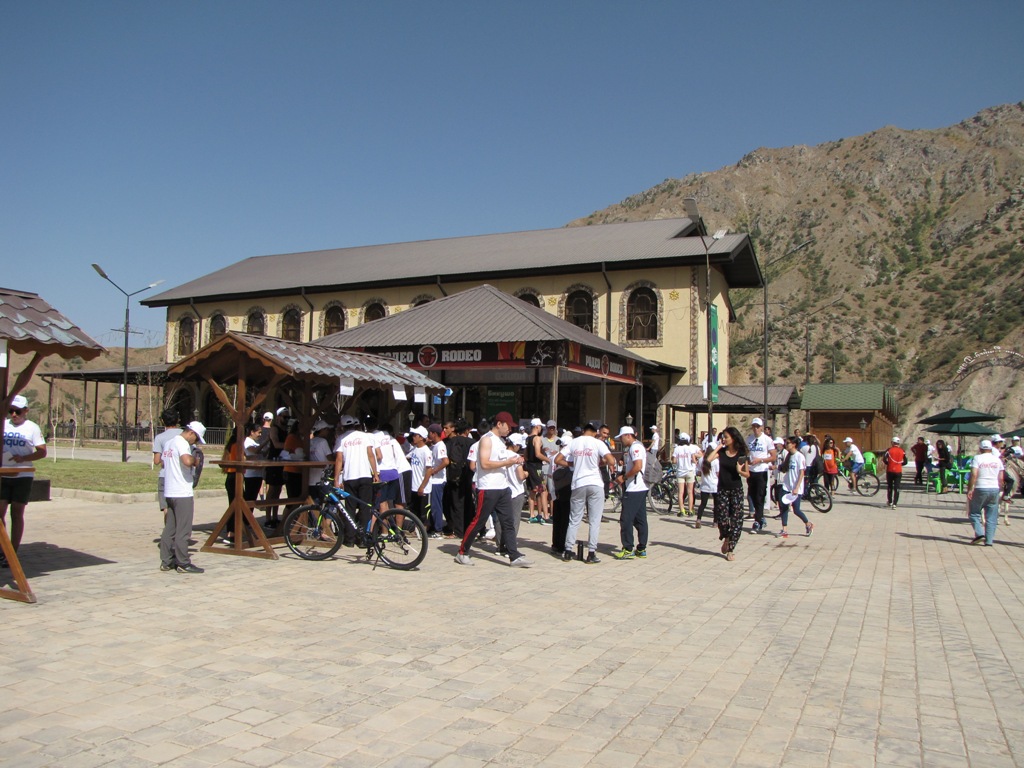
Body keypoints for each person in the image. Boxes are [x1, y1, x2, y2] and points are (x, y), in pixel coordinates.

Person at [456, 412, 531, 567]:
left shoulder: (501, 442)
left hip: (503, 488)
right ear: (499, 424)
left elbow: (500, 462)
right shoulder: (486, 440)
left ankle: (514, 555)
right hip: (488, 488)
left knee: (508, 522)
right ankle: (462, 552)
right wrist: (508, 462)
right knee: (479, 521)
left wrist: (514, 460)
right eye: (508, 426)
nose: (510, 429)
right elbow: (484, 464)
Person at [556, 421, 615, 563]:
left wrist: (571, 463)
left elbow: (557, 459)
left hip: (578, 483)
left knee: (574, 519)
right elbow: (611, 460)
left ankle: (568, 551)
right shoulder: (598, 443)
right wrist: (601, 462)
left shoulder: (574, 442)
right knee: (594, 520)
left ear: (584, 430)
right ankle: (591, 553)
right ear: (596, 432)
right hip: (595, 482)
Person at [1, 395, 47, 564]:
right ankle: (3, 548)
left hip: (23, 475)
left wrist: (24, 458)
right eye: (11, 411)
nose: (14, 414)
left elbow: (42, 451)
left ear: (26, 411)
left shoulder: (32, 428)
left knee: (17, 512)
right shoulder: (4, 424)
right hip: (4, 473)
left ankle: (12, 552)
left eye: (18, 411)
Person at [159, 421, 207, 574]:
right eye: (196, 439)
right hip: (182, 492)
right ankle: (183, 562)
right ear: (191, 433)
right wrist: (195, 461)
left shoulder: (169, 443)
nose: (195, 442)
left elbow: (162, 462)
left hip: (170, 491)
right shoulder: (182, 443)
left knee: (170, 528)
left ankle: (166, 561)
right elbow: (187, 461)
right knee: (183, 530)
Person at [334, 415, 379, 544]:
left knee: (350, 508)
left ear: (343, 427)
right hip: (365, 475)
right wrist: (375, 473)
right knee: (365, 508)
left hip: (350, 476)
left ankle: (350, 539)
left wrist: (336, 479)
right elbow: (371, 455)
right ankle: (363, 539)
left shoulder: (341, 439)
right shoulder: (364, 436)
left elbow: (339, 460)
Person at [707, 426, 750, 561]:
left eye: (726, 437)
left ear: (733, 438)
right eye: (723, 437)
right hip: (722, 489)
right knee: (722, 517)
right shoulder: (722, 452)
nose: (724, 439)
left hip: (736, 489)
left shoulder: (741, 453)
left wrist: (739, 471)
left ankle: (731, 549)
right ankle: (726, 536)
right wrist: (719, 446)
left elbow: (747, 474)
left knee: (736, 520)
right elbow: (708, 459)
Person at [613, 426, 649, 560]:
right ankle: (641, 548)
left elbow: (638, 466)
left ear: (628, 435)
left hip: (634, 488)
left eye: (621, 437)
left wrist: (624, 477)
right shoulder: (637, 446)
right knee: (640, 519)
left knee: (626, 519)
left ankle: (628, 548)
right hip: (641, 487)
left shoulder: (635, 447)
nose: (621, 440)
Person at [966, 439, 1005, 546]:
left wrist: (970, 489)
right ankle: (989, 541)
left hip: (980, 487)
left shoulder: (977, 458)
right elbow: (1001, 478)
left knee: (974, 513)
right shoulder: (997, 460)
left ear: (980, 449)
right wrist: (1000, 489)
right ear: (991, 448)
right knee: (991, 516)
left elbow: (974, 474)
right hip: (994, 488)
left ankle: (979, 534)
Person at [776, 436, 813, 538]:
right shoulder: (789, 456)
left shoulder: (799, 456)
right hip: (786, 485)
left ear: (794, 444)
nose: (786, 444)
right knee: (783, 507)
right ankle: (784, 530)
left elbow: (801, 473)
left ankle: (808, 524)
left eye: (788, 443)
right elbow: (785, 468)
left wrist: (797, 487)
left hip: (796, 487)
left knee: (796, 510)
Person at [746, 417, 777, 532]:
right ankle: (760, 517)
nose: (756, 429)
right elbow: (746, 453)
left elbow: (773, 456)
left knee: (760, 496)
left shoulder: (767, 440)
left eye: (758, 427)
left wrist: (761, 460)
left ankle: (757, 521)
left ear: (761, 428)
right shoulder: (749, 439)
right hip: (751, 470)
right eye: (754, 426)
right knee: (752, 495)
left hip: (762, 470)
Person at [419, 424, 449, 537]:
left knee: (436, 506)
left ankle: (438, 530)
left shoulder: (440, 446)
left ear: (434, 434)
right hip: (434, 481)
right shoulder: (434, 446)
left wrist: (435, 470)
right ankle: (434, 527)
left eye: (429, 433)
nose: (428, 435)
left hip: (438, 481)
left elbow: (446, 461)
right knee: (432, 506)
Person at [152, 408, 182, 518]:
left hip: (165, 475)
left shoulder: (160, 438)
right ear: (177, 420)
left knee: (166, 508)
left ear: (163, 421)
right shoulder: (184, 435)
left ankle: (168, 527)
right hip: (180, 475)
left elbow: (156, 461)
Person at [524, 418, 550, 524]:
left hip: (529, 466)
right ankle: (545, 516)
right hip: (537, 468)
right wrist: (549, 460)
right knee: (542, 490)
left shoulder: (527, 438)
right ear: (536, 427)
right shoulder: (537, 439)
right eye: (540, 427)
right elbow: (538, 454)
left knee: (532, 491)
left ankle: (532, 515)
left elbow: (526, 455)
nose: (540, 429)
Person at [672, 432, 701, 516]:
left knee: (680, 492)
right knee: (690, 492)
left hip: (680, 472)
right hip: (689, 471)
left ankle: (682, 510)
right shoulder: (690, 448)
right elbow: (693, 460)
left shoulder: (677, 448)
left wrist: (679, 461)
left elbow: (674, 461)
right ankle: (690, 510)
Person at [694, 446, 719, 529]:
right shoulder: (716, 461)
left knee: (703, 504)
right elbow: (718, 473)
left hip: (704, 484)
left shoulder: (701, 460)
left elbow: (698, 472)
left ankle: (698, 519)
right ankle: (715, 522)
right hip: (714, 484)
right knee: (716, 504)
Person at [882, 437, 908, 509]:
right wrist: (899, 464)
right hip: (898, 471)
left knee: (890, 486)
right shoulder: (902, 451)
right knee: (897, 487)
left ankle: (890, 501)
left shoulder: (889, 450)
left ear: (892, 443)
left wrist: (889, 463)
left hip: (890, 470)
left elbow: (884, 459)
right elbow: (905, 461)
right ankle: (895, 504)